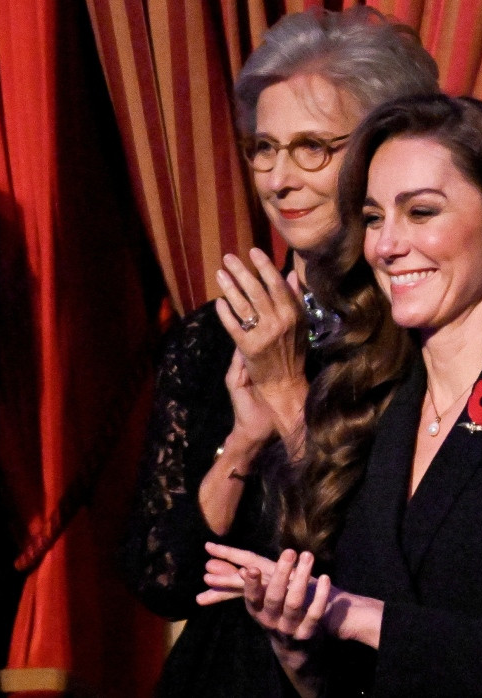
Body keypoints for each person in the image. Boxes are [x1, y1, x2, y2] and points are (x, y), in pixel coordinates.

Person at [198, 94, 482, 697]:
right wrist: (296, 640)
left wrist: (358, 616)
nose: (387, 245)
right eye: (375, 217)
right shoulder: (369, 399)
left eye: (421, 212)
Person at [121, 8, 438, 696]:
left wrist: (289, 389)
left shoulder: (425, 334)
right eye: (264, 148)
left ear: (386, 150)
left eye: (312, 148)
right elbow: (161, 579)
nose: (278, 179)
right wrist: (240, 443)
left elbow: (382, 573)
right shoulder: (214, 336)